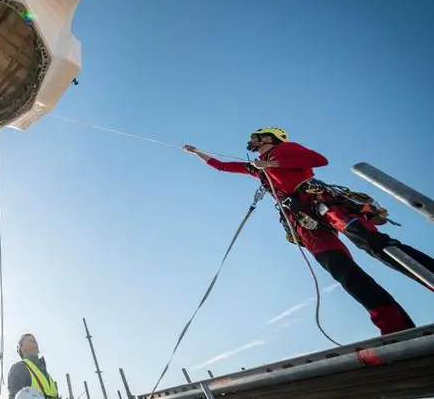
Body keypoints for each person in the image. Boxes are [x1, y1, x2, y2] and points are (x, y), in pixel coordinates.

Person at [184, 127, 434, 335]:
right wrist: (197, 153)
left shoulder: (285, 148)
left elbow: (319, 160)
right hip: (300, 218)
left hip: (321, 201)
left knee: (373, 244)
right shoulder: (255, 168)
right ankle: (395, 327)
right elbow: (221, 166)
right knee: (340, 269)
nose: (252, 141)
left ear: (270, 138)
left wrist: (272, 162)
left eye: (256, 137)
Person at [8, 333, 58, 399]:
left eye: (34, 339)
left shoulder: (47, 374)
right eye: (28, 339)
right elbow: (14, 396)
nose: (33, 339)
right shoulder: (19, 367)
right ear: (21, 347)